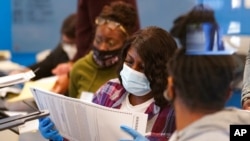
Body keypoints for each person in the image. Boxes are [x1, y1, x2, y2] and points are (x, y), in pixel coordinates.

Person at [39, 26, 178, 141]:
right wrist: (61, 136)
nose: (133, 71)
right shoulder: (110, 90)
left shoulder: (174, 108)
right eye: (129, 62)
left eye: (142, 67)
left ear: (161, 71)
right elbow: (85, 135)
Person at [52, 1, 138, 97]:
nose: (102, 48)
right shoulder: (79, 68)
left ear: (125, 44)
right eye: (98, 40)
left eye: (111, 43)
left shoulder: (129, 74)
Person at [10, 13, 77, 81]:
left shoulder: (85, 59)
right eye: (65, 42)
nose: (68, 47)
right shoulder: (61, 51)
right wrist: (22, 73)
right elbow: (42, 67)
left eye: (72, 43)